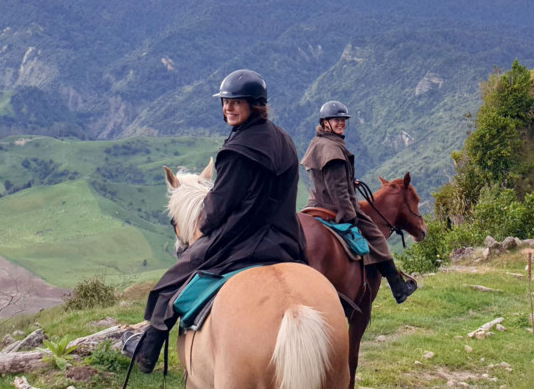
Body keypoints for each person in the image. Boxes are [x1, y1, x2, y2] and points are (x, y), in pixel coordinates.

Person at [135, 69, 307, 373]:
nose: (228, 107)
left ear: (255, 105)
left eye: (237, 102)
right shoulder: (284, 140)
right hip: (286, 239)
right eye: (226, 101)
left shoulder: (237, 150)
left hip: (242, 242)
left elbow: (216, 209)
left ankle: (148, 348)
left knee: (173, 281)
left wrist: (204, 217)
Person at [301, 100, 417, 303]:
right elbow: (338, 192)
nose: (341, 123)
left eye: (343, 120)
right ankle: (399, 289)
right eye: (336, 120)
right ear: (325, 122)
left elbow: (329, 180)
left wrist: (348, 181)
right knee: (378, 238)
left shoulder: (318, 143)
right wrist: (349, 216)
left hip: (314, 204)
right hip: (334, 206)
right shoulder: (333, 151)